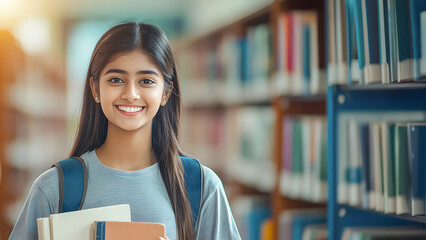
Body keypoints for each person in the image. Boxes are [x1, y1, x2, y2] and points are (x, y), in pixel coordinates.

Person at [9, 22, 241, 240]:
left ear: (166, 93)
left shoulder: (202, 186)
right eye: (116, 79)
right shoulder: (53, 187)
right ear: (95, 88)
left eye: (146, 81)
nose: (131, 94)